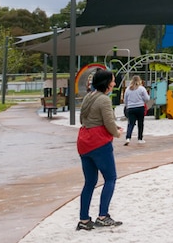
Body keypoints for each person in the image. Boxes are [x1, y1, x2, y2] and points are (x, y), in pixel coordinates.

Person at [76, 68, 123, 230]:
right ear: (106, 83)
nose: (114, 83)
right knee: (110, 178)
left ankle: (83, 219)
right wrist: (116, 133)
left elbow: (84, 118)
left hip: (84, 141)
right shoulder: (104, 99)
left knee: (89, 182)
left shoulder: (89, 96)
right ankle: (103, 216)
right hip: (98, 142)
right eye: (112, 80)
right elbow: (108, 123)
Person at [123, 75, 150, 146]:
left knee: (131, 123)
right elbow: (147, 99)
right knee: (140, 123)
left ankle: (128, 138)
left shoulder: (128, 89)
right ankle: (140, 139)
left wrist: (127, 105)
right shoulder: (141, 89)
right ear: (139, 81)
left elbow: (125, 100)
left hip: (130, 108)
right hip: (140, 107)